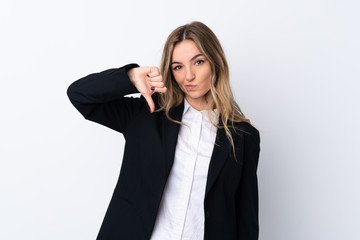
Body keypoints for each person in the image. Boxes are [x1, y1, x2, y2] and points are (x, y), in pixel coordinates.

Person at [67, 21, 260, 240]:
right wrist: (130, 77)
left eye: (198, 62)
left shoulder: (244, 136)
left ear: (215, 63)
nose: (188, 76)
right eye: (178, 66)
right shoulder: (147, 112)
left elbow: (246, 219)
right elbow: (79, 95)